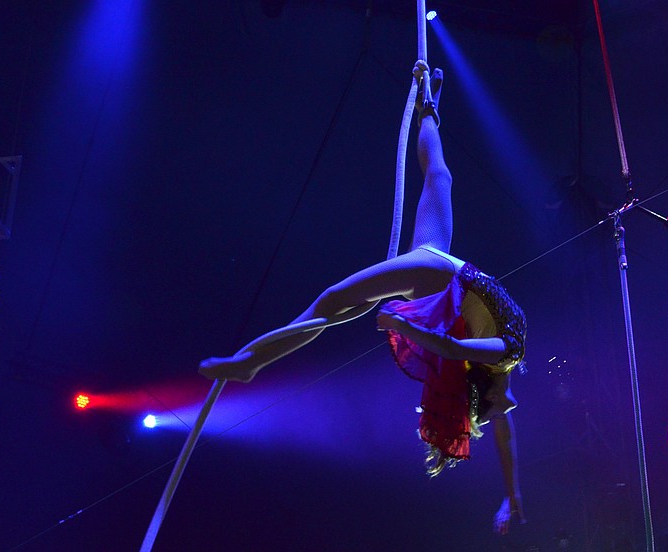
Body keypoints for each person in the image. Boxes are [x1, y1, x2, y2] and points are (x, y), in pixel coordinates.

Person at [200, 61, 528, 534]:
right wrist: (513, 496)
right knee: (440, 178)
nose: (510, 408)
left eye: (499, 406)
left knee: (331, 301)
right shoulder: (504, 363)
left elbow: (456, 351)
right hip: (439, 266)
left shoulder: (497, 358)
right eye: (503, 406)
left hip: (440, 275)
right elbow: (504, 431)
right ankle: (430, 107)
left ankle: (249, 362)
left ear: (483, 394)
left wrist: (402, 326)